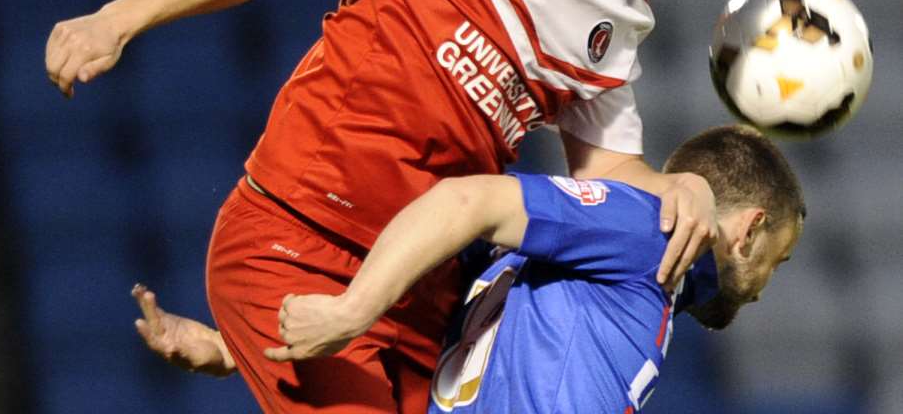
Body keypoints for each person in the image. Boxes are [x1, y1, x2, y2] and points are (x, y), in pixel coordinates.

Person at [47, 0, 761, 413]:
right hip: (297, 242)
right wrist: (119, 17)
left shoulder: (619, 26)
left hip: (415, 293)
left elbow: (603, 177)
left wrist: (686, 185)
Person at [134, 124, 804, 414]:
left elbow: (421, 299)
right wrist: (340, 315)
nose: (768, 285)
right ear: (749, 230)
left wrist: (238, 347)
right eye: (780, 258)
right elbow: (465, 200)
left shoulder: (579, 258)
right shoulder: (638, 230)